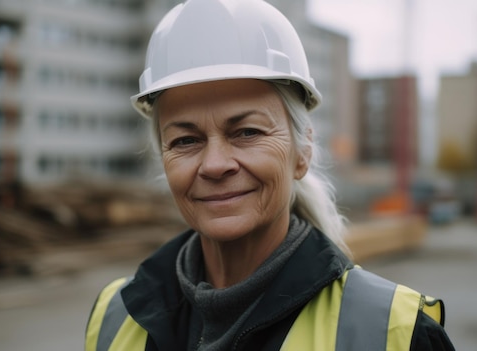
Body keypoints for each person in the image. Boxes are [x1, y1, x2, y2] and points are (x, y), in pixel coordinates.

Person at [85, 0, 455, 350]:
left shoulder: (396, 335)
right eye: (185, 140)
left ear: (302, 152)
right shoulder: (114, 317)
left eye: (247, 132)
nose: (215, 164)